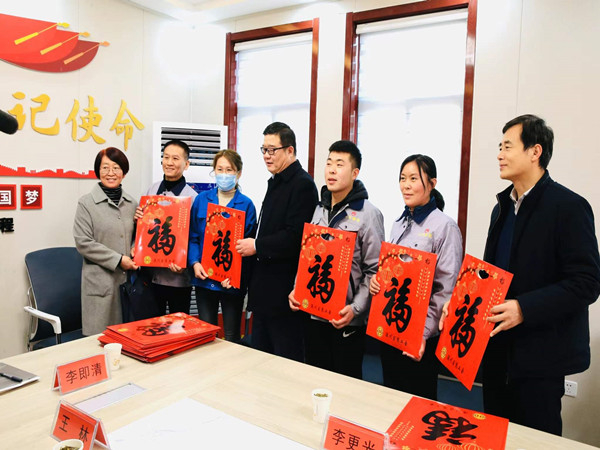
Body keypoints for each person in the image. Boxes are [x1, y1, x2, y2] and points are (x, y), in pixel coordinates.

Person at [441, 114, 600, 435]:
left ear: (535, 151)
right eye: (499, 147)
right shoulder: (501, 208)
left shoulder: (568, 207)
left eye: (507, 146)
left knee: (534, 439)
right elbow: (491, 277)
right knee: (495, 435)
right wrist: (459, 302)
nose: (500, 154)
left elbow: (587, 283)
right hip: (497, 352)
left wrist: (523, 308)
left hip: (540, 359)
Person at [289, 140, 384, 379]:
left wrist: (356, 308)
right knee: (315, 380)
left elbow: (374, 270)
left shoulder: (369, 214)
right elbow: (308, 254)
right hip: (314, 314)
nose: (332, 170)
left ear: (354, 173)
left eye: (340, 165)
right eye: (329, 163)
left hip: (345, 319)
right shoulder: (319, 208)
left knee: (345, 385)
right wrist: (297, 289)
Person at [371, 154, 462, 400]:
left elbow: (445, 290)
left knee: (417, 402)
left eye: (413, 179)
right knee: (390, 396)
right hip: (391, 325)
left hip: (421, 335)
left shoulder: (445, 227)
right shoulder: (399, 223)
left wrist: (422, 333)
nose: (406, 185)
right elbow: (393, 271)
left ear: (432, 183)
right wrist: (377, 282)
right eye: (403, 178)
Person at [236, 122, 318, 361]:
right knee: (261, 358)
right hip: (264, 289)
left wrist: (256, 245)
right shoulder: (276, 180)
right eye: (264, 149)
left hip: (284, 291)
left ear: (290, 150)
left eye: (272, 150)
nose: (266, 155)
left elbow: (296, 237)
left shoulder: (302, 184)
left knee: (284, 358)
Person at [188, 150, 257, 343]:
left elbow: (248, 248)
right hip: (205, 279)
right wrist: (194, 263)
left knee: (232, 335)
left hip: (231, 284)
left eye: (229, 170)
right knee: (206, 334)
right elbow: (193, 237)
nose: (224, 174)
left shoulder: (247, 205)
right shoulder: (201, 200)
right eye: (220, 169)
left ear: (238, 173)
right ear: (214, 171)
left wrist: (235, 275)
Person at [73, 147, 138, 335]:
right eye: (105, 168)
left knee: (128, 339)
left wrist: (135, 248)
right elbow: (83, 242)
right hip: (100, 284)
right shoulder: (86, 203)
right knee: (98, 339)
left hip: (127, 284)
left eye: (116, 168)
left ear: (124, 173)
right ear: (98, 171)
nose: (111, 173)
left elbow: (137, 237)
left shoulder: (132, 204)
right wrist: (118, 260)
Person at [135, 139, 198, 316]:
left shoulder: (193, 198)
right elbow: (142, 231)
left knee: (177, 326)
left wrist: (185, 262)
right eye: (166, 157)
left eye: (175, 158)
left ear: (186, 164)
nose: (169, 162)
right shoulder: (151, 192)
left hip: (178, 279)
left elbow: (196, 238)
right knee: (150, 325)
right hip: (150, 278)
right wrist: (137, 219)